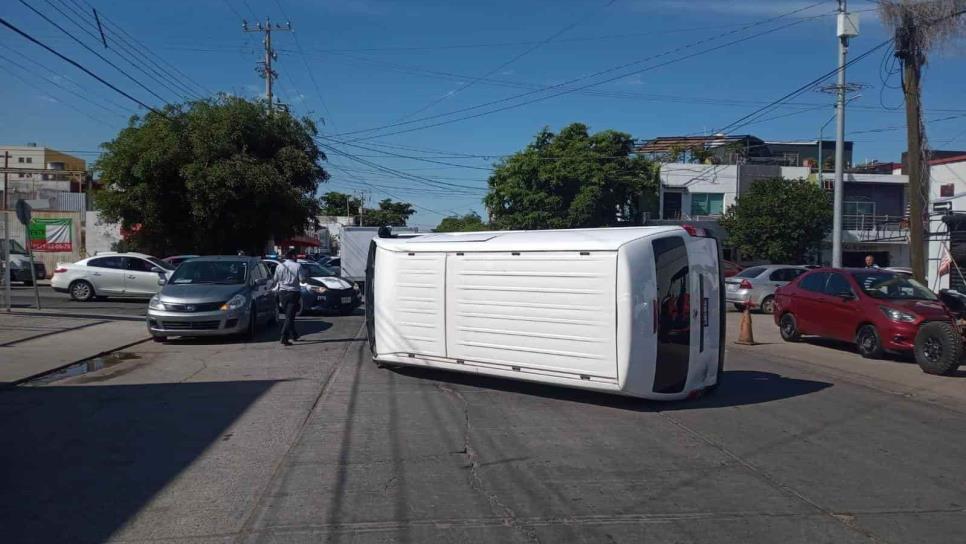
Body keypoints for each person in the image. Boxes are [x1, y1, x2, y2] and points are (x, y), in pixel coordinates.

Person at [273, 249, 302, 345]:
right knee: (290, 316)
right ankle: (284, 337)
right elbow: (302, 279)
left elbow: (275, 280)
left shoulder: (279, 266)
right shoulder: (297, 266)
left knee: (289, 315)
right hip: (293, 293)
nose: (297, 257)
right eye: (296, 255)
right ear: (293, 256)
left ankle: (294, 334)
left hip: (282, 293)